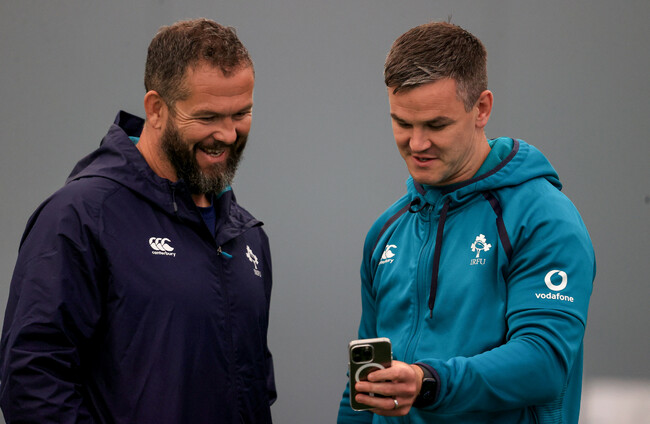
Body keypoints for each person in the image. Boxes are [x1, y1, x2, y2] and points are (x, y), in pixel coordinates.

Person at [0, 18, 275, 423]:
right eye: (208, 117)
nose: (229, 135)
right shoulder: (80, 217)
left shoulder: (246, 235)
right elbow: (32, 384)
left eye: (241, 113)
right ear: (156, 109)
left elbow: (255, 391)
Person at [337, 21, 595, 424]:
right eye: (402, 123)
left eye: (436, 125)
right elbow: (365, 388)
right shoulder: (386, 231)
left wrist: (428, 382)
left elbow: (544, 362)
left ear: (482, 109)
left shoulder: (542, 218)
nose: (417, 143)